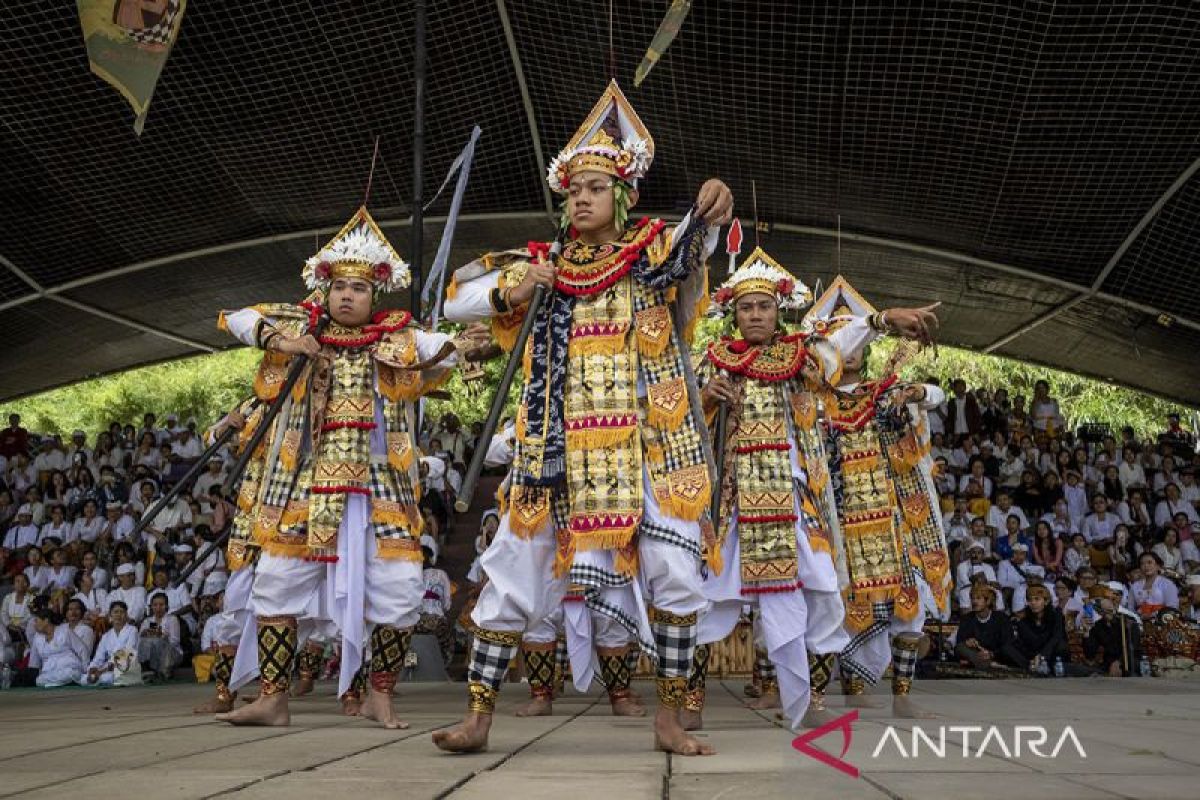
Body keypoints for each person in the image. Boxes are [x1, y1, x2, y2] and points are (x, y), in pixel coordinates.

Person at [438, 80, 734, 757]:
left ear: (622, 196)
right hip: (555, 452)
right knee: (511, 574)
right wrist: (514, 289)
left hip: (649, 450)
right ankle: (479, 717)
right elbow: (456, 298)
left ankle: (666, 719)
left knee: (675, 578)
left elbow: (700, 239)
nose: (580, 197)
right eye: (573, 189)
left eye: (596, 187)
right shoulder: (539, 266)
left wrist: (715, 200)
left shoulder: (653, 253)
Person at [215, 206, 468, 731]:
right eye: (339, 287)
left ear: (376, 295)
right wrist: (285, 342)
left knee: (399, 592)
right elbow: (237, 318)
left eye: (358, 288)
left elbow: (442, 347)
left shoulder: (397, 339)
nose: (347, 296)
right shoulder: (301, 333)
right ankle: (273, 698)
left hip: (381, 486)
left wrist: (460, 347)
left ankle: (380, 694)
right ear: (324, 291)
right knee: (277, 582)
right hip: (307, 481)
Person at [796, 279, 946, 722]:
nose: (851, 349)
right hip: (839, 520)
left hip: (892, 517)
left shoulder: (888, 392)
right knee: (836, 606)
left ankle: (901, 695)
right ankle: (835, 692)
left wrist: (917, 394)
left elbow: (936, 396)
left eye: (855, 338)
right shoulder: (813, 401)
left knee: (909, 601)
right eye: (841, 338)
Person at [1002, 584, 1068, 674]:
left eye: (1037, 599)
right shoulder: (1023, 617)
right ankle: (1031, 666)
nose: (1033, 603)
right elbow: (1030, 642)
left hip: (1050, 652)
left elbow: (1056, 637)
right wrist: (1020, 624)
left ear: (1046, 601)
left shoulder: (1056, 614)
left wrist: (1041, 656)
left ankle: (1041, 666)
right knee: (1007, 648)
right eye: (1030, 600)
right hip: (1032, 653)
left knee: (1060, 644)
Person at [80, 601, 141, 687]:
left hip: (126, 666)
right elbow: (98, 657)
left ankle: (99, 679)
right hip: (107, 669)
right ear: (110, 615)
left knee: (110, 677)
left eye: (122, 612)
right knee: (84, 678)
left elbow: (127, 655)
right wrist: (92, 668)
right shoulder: (106, 636)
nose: (118, 615)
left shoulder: (132, 630)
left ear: (126, 615)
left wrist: (101, 671)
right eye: (116, 612)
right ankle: (98, 678)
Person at [1083, 589, 1142, 676]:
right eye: (1105, 611)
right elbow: (1090, 654)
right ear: (1099, 611)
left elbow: (1133, 647)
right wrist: (1087, 632)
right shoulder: (1098, 626)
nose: (1109, 612)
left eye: (1110, 610)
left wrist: (1118, 662)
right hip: (1108, 663)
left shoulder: (1127, 621)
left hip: (1130, 661)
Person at [28, 607, 90, 687]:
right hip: (49, 672)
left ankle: (55, 684)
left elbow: (82, 650)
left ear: (46, 621)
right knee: (39, 680)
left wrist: (85, 670)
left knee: (71, 674)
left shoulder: (65, 631)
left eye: (36, 621)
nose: (34, 624)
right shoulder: (37, 637)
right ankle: (57, 684)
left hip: (69, 668)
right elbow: (34, 662)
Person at [953, 585, 1011, 669]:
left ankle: (979, 663)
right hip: (975, 654)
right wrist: (967, 642)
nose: (974, 602)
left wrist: (991, 654)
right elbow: (959, 645)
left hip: (995, 655)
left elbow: (1008, 644)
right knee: (960, 648)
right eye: (973, 599)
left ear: (988, 601)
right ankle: (988, 664)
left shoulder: (1001, 618)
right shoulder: (967, 619)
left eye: (978, 598)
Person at [138, 592, 181, 682]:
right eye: (155, 605)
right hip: (153, 654)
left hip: (172, 653)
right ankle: (147, 670)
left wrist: (162, 636)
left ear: (166, 606)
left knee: (158, 641)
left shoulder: (172, 619)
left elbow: (175, 641)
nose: (158, 608)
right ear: (151, 607)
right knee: (145, 641)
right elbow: (142, 641)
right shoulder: (148, 621)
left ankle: (163, 672)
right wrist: (146, 634)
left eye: (161, 605)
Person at [1129, 552, 1180, 619]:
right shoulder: (1135, 586)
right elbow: (1130, 608)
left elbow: (1172, 608)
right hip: (1140, 623)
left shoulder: (1168, 584)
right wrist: (1136, 618)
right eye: (1142, 563)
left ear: (1158, 566)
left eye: (1149, 562)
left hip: (1162, 623)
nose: (1146, 566)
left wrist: (1152, 615)